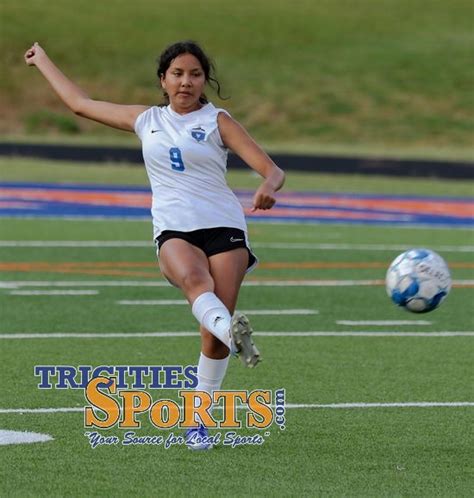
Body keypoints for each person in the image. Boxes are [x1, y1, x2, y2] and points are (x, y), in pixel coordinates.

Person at [24, 40, 285, 449]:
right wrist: (42, 60)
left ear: (204, 81)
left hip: (224, 228)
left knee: (211, 336)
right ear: (163, 80)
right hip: (174, 228)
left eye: (195, 74)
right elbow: (78, 103)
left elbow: (272, 170)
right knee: (196, 283)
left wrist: (268, 188)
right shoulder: (146, 119)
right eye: (177, 74)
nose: (186, 81)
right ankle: (233, 335)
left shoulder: (219, 121)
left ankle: (200, 420)